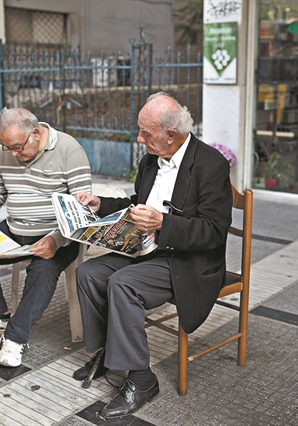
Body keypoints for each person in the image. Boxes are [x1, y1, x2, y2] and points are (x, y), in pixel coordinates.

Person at [72, 92, 233, 418]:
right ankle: (109, 351)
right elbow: (136, 204)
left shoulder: (210, 164)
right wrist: (101, 204)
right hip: (145, 250)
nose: (139, 138)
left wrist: (163, 223)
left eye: (145, 133)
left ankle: (142, 379)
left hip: (187, 261)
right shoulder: (150, 160)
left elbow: (214, 230)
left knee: (123, 283)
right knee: (88, 273)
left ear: (170, 135)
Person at [0, 107, 92, 368]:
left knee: (43, 269)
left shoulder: (70, 150)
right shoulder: (5, 150)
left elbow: (82, 211)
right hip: (15, 230)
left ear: (35, 133)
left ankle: (15, 337)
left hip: (59, 235)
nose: (12, 154)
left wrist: (56, 240)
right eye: (7, 147)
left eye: (17, 147)